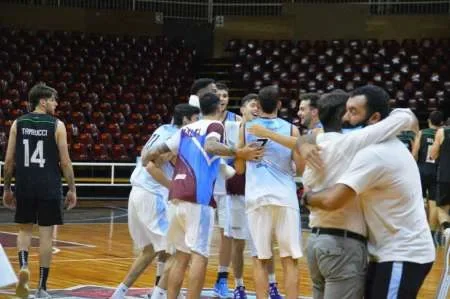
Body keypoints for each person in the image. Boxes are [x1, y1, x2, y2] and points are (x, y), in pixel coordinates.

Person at [248, 90, 419, 299]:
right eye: (347, 111)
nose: (349, 116)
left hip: (316, 240)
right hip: (343, 243)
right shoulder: (352, 142)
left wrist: (303, 144)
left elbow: (306, 145)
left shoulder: (317, 144)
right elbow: (404, 117)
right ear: (341, 116)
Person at [303, 85, 435, 299]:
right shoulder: (376, 145)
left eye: (353, 112)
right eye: (346, 110)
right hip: (384, 251)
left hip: (403, 253)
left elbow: (332, 200)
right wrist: (303, 143)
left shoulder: (375, 155)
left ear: (374, 118)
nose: (345, 118)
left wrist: (306, 197)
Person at [143, 93, 262, 299]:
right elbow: (211, 146)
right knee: (200, 255)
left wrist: (148, 156)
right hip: (197, 197)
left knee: (181, 256)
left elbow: (151, 153)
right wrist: (239, 152)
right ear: (219, 108)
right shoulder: (216, 126)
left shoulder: (185, 129)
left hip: (175, 196)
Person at [110, 104, 200, 299]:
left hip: (136, 192)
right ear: (185, 120)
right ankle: (159, 294)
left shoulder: (162, 129)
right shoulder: (178, 137)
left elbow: (146, 157)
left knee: (150, 250)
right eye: (195, 119)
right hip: (151, 195)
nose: (197, 123)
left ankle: (119, 293)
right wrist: (173, 186)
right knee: (179, 250)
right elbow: (151, 166)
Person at [2, 83, 77, 299]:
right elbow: (65, 161)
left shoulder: (18, 123)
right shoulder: (57, 125)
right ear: (42, 101)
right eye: (53, 99)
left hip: (24, 184)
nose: (56, 103)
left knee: (24, 231)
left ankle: (24, 266)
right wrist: (71, 188)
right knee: (46, 236)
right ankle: (42, 288)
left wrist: (7, 188)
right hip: (49, 186)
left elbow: (8, 161)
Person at [236, 86, 303, 299]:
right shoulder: (292, 129)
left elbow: (239, 168)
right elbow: (301, 169)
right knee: (290, 259)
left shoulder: (245, 127)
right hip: (285, 197)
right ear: (279, 105)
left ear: (258, 105)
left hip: (256, 197)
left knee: (260, 259)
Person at [224, 93, 280, 299]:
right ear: (243, 110)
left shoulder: (269, 130)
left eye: (258, 106)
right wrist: (239, 152)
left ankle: (273, 284)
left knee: (266, 242)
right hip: (238, 192)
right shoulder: (232, 130)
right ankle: (238, 286)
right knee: (238, 243)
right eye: (252, 105)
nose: (256, 109)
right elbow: (231, 162)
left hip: (262, 193)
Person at [213, 82, 241, 298]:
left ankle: (221, 278)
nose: (222, 98)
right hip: (203, 180)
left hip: (225, 182)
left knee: (226, 233)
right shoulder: (203, 119)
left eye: (225, 95)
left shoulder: (237, 121)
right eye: (218, 95)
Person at [412, 111, 444, 245]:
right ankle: (432, 236)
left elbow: (414, 153)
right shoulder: (443, 134)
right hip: (437, 172)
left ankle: (417, 233)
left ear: (429, 120)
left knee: (418, 201)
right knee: (433, 203)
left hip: (422, 170)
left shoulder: (422, 133)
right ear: (442, 122)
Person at [430, 123, 450, 244]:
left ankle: (447, 229)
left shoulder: (442, 132)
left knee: (442, 209)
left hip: (445, 176)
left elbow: (432, 155)